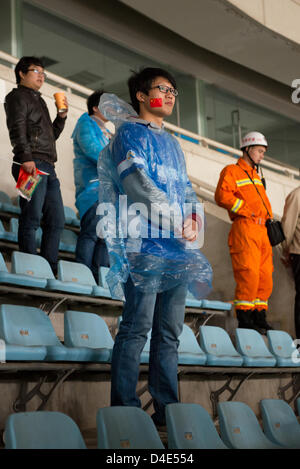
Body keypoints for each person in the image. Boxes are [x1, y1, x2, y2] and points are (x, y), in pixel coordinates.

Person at [97, 68, 212, 427]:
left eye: (174, 90)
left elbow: (187, 189)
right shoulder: (128, 133)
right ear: (142, 96)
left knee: (170, 332)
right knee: (137, 326)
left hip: (176, 247)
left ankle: (167, 410)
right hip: (142, 242)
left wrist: (193, 218)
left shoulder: (174, 144)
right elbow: (136, 183)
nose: (172, 95)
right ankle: (126, 411)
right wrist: (175, 219)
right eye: (164, 89)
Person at [4, 56, 68, 275]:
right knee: (31, 217)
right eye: (36, 71)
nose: (41, 75)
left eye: (44, 72)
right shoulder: (17, 97)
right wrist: (25, 156)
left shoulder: (38, 99)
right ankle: (29, 267)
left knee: (57, 220)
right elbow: (17, 128)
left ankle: (47, 269)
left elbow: (49, 136)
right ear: (21, 73)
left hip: (48, 166)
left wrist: (61, 118)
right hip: (29, 164)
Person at [215, 131, 273, 334]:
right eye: (259, 151)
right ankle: (245, 317)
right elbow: (222, 195)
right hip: (245, 227)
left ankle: (259, 315)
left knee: (265, 276)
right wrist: (246, 210)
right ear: (247, 149)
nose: (261, 155)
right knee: (248, 273)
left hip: (262, 230)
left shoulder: (257, 176)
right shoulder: (232, 171)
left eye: (263, 152)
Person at [72, 90, 111, 282]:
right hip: (92, 189)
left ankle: (100, 281)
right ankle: (82, 277)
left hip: (108, 193)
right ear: (96, 107)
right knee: (91, 234)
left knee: (105, 238)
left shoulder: (108, 132)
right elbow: (92, 150)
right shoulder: (86, 123)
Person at [281, 187, 300, 338]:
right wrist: (286, 251)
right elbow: (287, 229)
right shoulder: (296, 195)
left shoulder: (296, 195)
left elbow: (287, 228)